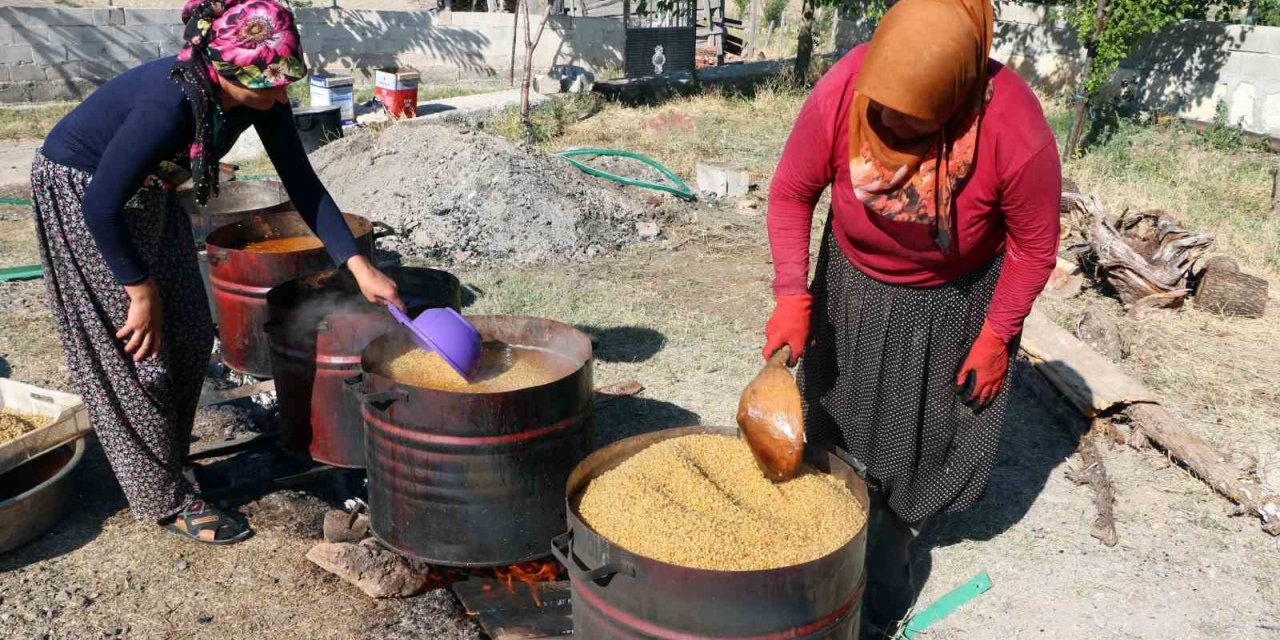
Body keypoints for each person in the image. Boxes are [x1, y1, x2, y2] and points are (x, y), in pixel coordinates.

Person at [31, 0, 404, 545]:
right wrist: (139, 290)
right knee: (139, 355)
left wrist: (359, 264)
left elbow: (303, 184)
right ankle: (163, 497)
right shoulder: (169, 101)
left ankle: (170, 463)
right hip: (83, 194)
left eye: (286, 82)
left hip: (150, 193)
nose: (280, 97)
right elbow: (99, 205)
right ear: (224, 72)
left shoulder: (261, 94)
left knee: (187, 333)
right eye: (267, 87)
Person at [762, 0, 1060, 634]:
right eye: (885, 112)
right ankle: (822, 540)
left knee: (919, 439)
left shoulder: (1013, 125)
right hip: (850, 282)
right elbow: (792, 191)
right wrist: (792, 293)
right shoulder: (843, 90)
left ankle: (890, 547)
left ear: (955, 98)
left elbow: (1035, 246)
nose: (892, 123)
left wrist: (997, 334)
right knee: (831, 412)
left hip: (950, 302)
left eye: (913, 119)